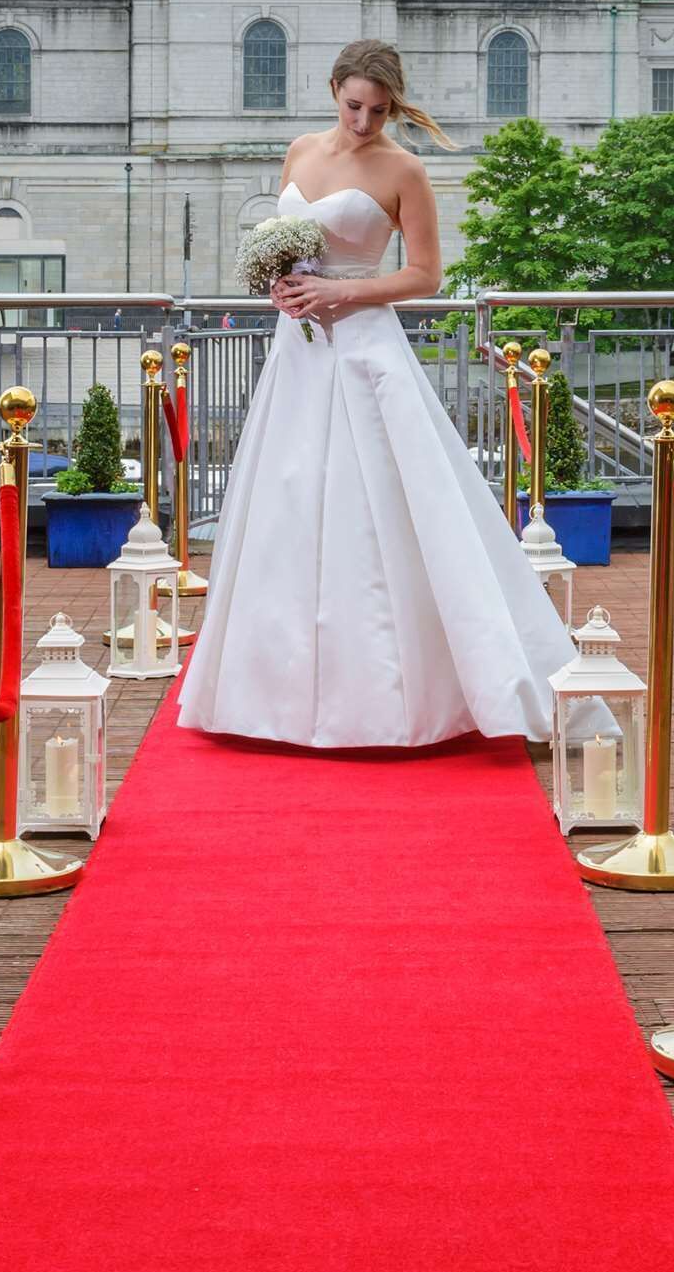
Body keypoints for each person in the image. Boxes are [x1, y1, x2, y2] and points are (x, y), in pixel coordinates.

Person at [174, 38, 597, 748]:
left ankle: (397, 698)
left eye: (378, 110)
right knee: (287, 501)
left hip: (366, 349)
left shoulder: (404, 169)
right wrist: (282, 287)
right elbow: (288, 247)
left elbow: (426, 276)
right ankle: (270, 697)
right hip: (298, 351)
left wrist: (340, 291)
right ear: (333, 90)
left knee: (377, 509)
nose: (365, 121)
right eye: (354, 106)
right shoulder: (299, 151)